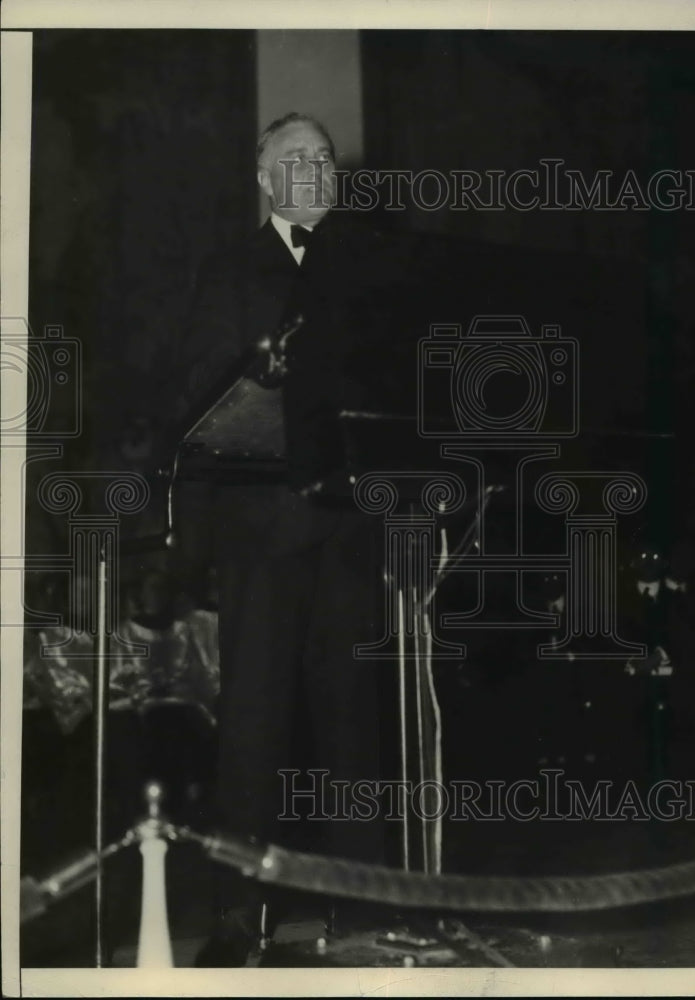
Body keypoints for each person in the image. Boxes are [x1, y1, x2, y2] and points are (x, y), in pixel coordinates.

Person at [186, 113, 413, 965]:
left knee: (357, 728)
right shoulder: (228, 270)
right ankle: (236, 920)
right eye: (297, 158)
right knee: (252, 728)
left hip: (351, 530)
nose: (315, 168)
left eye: (324, 157)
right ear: (263, 178)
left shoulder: (371, 271)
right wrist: (259, 372)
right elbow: (196, 394)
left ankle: (364, 913)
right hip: (259, 534)